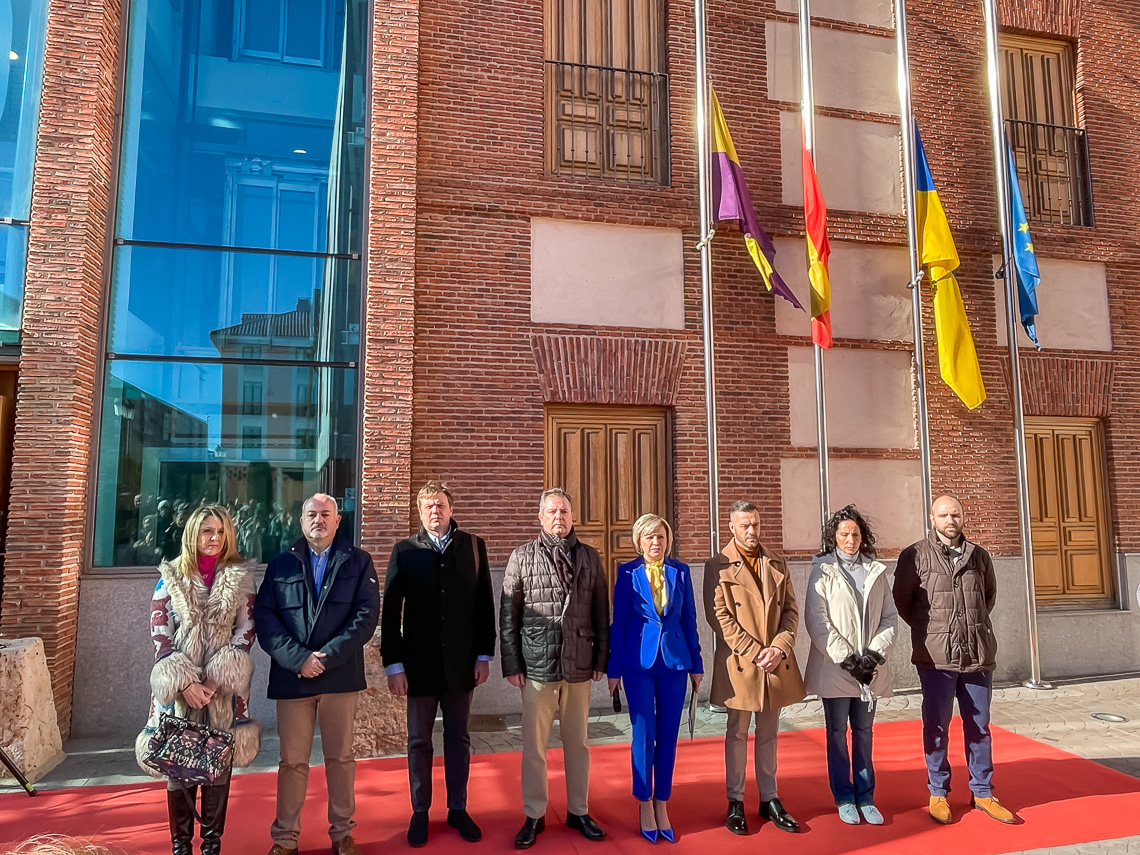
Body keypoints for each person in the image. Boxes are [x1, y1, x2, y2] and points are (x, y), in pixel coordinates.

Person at [254, 493, 381, 855]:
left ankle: (342, 835)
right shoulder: (280, 565)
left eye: (326, 514)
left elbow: (366, 617)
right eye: (312, 514)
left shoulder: (359, 562)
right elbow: (265, 619)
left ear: (338, 521)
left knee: (340, 759)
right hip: (292, 679)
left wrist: (325, 658)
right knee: (292, 762)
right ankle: (285, 840)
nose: (319, 520)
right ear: (301, 521)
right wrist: (299, 659)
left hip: (339, 678)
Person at [135, 505, 260, 855]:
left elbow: (246, 632)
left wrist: (216, 681)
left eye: (220, 532)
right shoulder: (171, 577)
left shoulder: (241, 579)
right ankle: (181, 847)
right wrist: (186, 683)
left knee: (219, 765)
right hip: (179, 694)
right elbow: (160, 636)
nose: (214, 538)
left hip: (224, 693)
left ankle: (211, 846)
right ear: (193, 534)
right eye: (207, 531)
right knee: (178, 767)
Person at [382, 481, 496, 847]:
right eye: (429, 505)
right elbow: (391, 612)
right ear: (420, 511)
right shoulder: (404, 551)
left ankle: (457, 808)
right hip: (418, 666)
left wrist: (484, 655)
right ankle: (420, 811)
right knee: (419, 741)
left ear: (451, 509)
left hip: (462, 665)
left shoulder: (473, 547)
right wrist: (393, 665)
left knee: (459, 738)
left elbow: (485, 605)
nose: (435, 510)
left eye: (441, 505)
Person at [894, 494, 1015, 825]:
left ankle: (983, 792)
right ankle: (938, 792)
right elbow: (903, 602)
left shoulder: (979, 556)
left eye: (956, 514)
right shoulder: (914, 556)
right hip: (936, 659)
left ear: (963, 518)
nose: (951, 520)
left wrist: (970, 628)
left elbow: (987, 598)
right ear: (932, 519)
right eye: (944, 515)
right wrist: (933, 631)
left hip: (977, 656)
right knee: (936, 726)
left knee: (979, 726)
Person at [500, 488, 610, 849]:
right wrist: (512, 663)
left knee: (578, 743)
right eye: (552, 511)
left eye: (564, 511)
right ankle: (534, 814)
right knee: (535, 746)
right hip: (537, 666)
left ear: (572, 517)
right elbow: (508, 616)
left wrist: (601, 659)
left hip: (578, 663)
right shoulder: (522, 557)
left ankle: (579, 810)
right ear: (541, 517)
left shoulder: (589, 557)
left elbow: (601, 611)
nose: (558, 517)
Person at [706, 500, 806, 836]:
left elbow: (791, 610)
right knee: (736, 733)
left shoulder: (776, 561)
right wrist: (754, 651)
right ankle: (735, 801)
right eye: (744, 525)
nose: (752, 531)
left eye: (756, 524)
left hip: (773, 662)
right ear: (731, 527)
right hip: (741, 664)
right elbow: (719, 617)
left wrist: (779, 647)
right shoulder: (717, 565)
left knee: (769, 733)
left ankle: (769, 798)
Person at [607, 513, 703, 843]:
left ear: (668, 540)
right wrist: (614, 669)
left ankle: (662, 802)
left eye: (660, 536)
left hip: (675, 663)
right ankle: (645, 802)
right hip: (638, 664)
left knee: (668, 735)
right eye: (649, 536)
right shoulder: (627, 573)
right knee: (644, 733)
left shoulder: (681, 571)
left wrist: (696, 663)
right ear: (639, 541)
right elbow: (619, 623)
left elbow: (689, 619)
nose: (655, 542)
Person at [804, 505, 897, 826]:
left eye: (855, 534)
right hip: (836, 669)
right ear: (834, 536)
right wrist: (848, 659)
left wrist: (873, 655)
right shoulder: (823, 570)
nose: (850, 539)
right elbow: (817, 621)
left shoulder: (876, 571)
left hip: (869, 670)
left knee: (864, 732)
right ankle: (844, 796)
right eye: (844, 534)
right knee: (836, 733)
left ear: (862, 536)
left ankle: (866, 796)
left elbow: (889, 617)